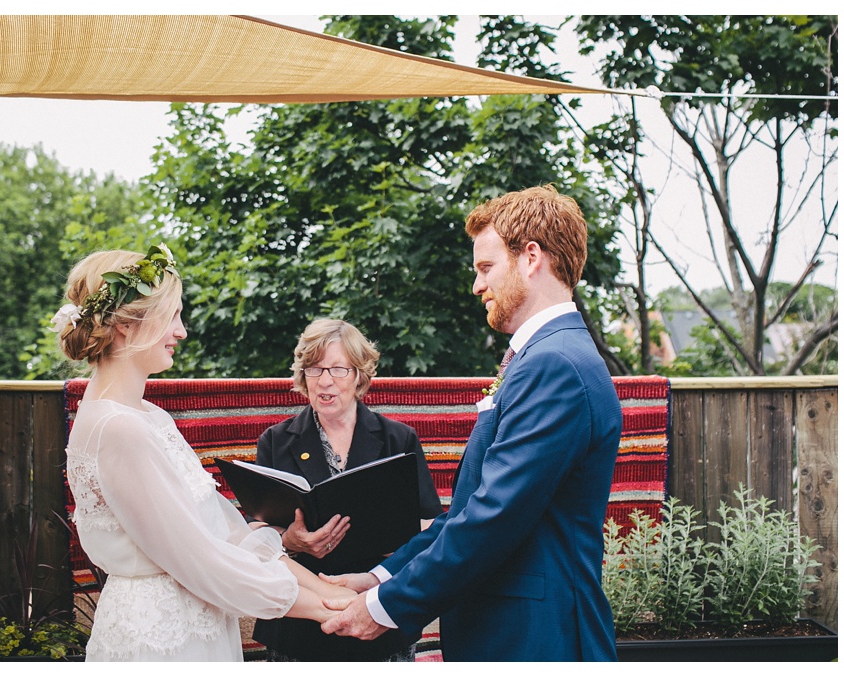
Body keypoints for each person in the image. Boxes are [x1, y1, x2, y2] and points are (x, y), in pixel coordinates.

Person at [321, 186, 623, 661]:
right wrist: (382, 575)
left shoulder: (555, 365)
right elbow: (469, 511)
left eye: (486, 268)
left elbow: (493, 518)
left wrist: (381, 608)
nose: (477, 286)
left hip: (538, 640)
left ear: (530, 258)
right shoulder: (543, 358)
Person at [55, 246, 353, 661]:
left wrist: (327, 588)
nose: (182, 331)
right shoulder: (119, 427)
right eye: (172, 315)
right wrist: (327, 609)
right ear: (126, 323)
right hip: (161, 639)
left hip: (196, 622)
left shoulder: (147, 415)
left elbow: (225, 532)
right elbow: (203, 562)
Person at [251, 318, 443, 662]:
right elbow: (255, 531)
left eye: (338, 369)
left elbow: (430, 525)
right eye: (315, 369)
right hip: (300, 625)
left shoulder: (398, 440)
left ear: (359, 375)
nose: (325, 381)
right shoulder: (276, 441)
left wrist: (390, 544)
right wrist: (289, 541)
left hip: (380, 619)